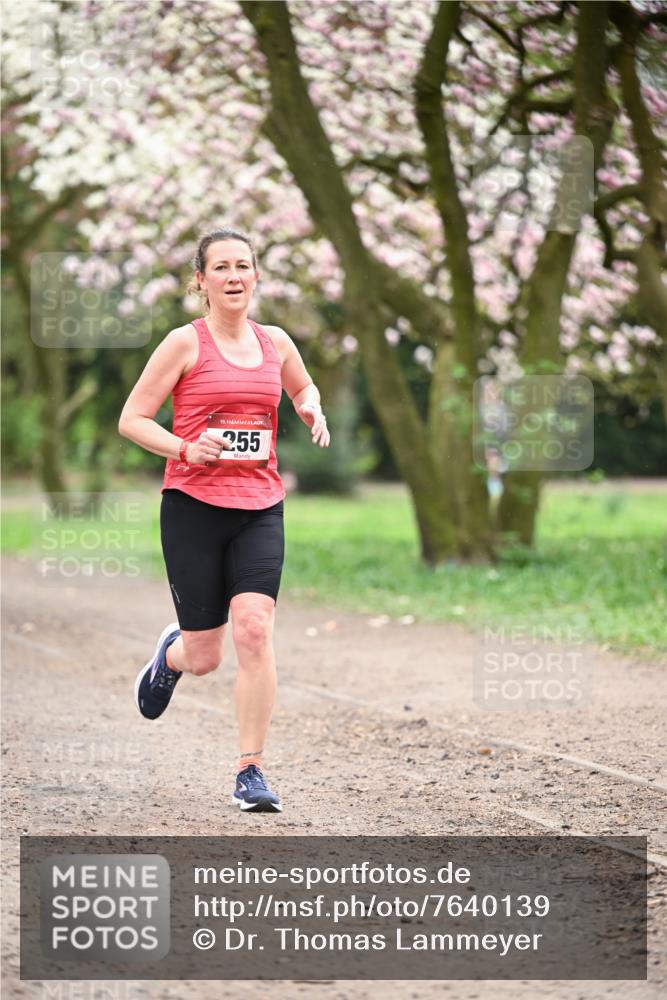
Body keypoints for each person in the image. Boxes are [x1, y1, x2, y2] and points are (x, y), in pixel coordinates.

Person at [118, 227, 330, 813]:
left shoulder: (277, 342)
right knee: (206, 656)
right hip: (193, 508)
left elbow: (302, 384)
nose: (234, 276)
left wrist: (308, 404)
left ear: (256, 276)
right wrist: (185, 448)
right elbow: (133, 419)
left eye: (244, 266)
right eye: (222, 268)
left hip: (260, 505)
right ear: (202, 281)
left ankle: (250, 770)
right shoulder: (183, 345)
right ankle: (171, 657)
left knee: (255, 630)